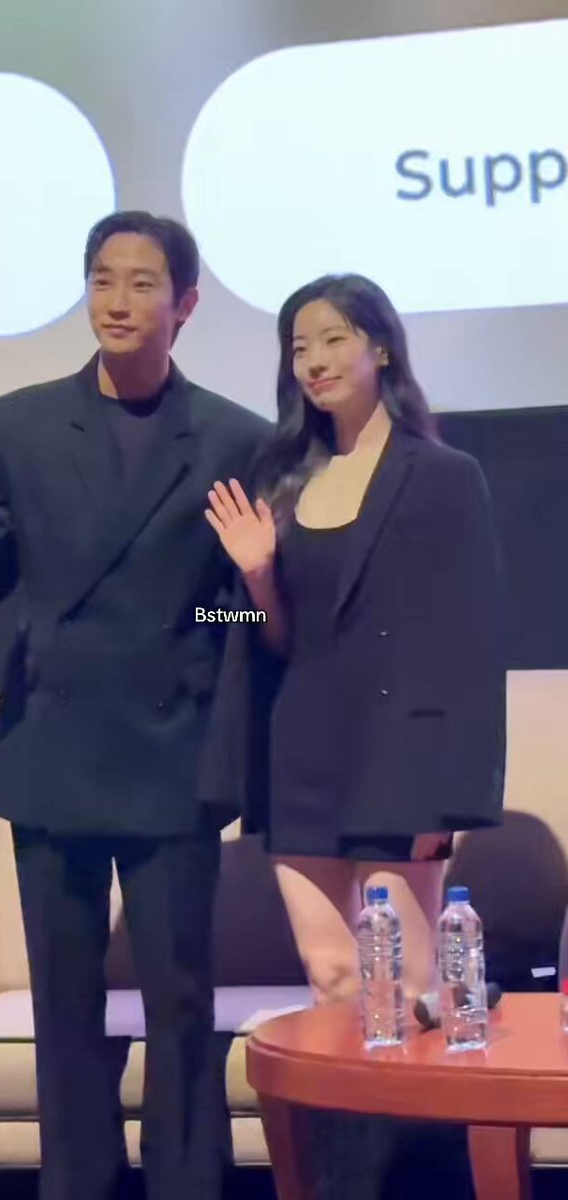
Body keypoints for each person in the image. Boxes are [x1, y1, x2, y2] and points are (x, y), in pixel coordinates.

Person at [0, 211, 271, 1200]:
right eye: (103, 279)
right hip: (52, 751)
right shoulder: (17, 424)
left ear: (185, 304)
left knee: (179, 1003)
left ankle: (187, 1183)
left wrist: (216, 610)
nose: (118, 301)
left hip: (172, 751)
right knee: (63, 1008)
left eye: (142, 283)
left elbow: (237, 613)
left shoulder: (236, 437)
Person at [202, 272, 506, 1012]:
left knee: (404, 984)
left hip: (400, 761)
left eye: (334, 339)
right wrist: (256, 576)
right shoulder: (278, 480)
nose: (315, 361)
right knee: (332, 975)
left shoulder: (444, 476)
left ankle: (414, 1096)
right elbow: (268, 637)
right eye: (299, 347)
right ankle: (344, 1097)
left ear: (382, 350)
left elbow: (470, 642)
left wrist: (448, 796)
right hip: (298, 754)